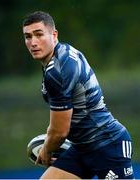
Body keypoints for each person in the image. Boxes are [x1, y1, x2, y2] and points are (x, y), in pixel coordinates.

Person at [22, 11, 134, 179]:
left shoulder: (57, 72)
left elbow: (60, 131)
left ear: (54, 35)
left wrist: (46, 149)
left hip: (108, 145)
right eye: (28, 37)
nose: (33, 42)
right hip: (82, 148)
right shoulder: (63, 52)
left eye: (39, 34)